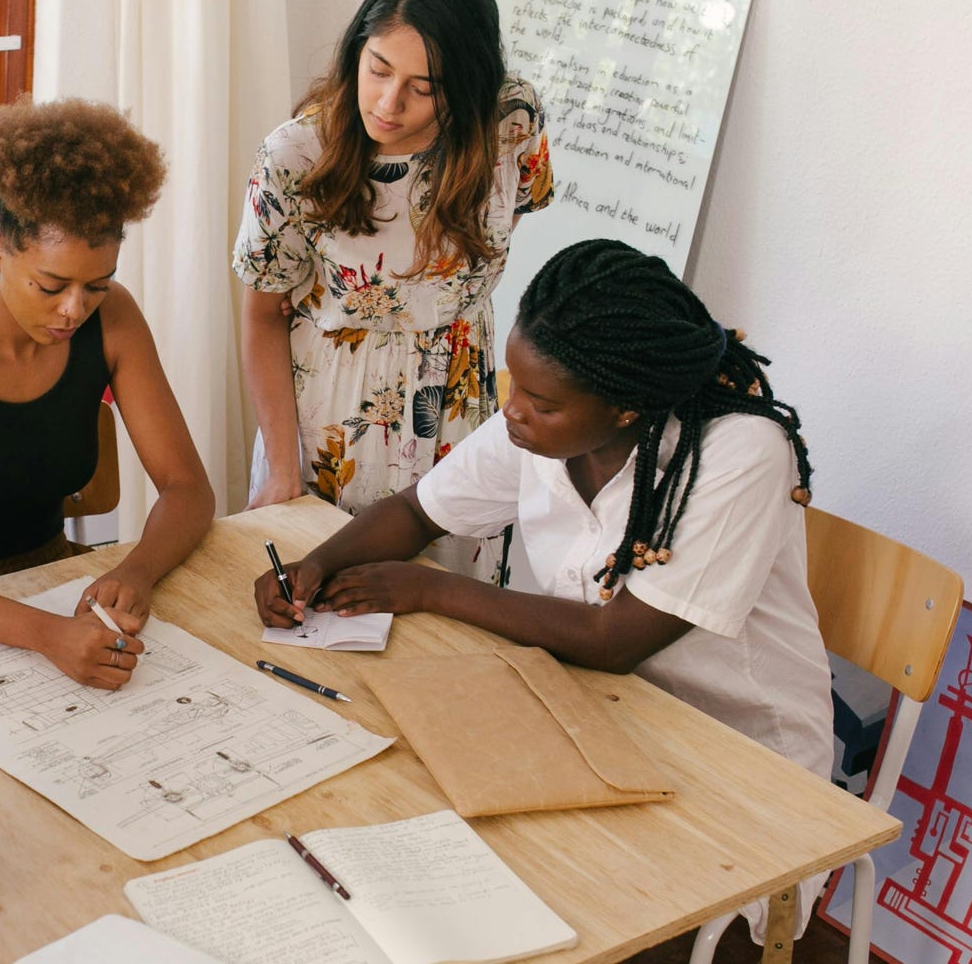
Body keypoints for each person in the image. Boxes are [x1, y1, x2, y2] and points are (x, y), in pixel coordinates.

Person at [256, 238, 832, 906]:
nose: (513, 410)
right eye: (513, 384)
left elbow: (616, 640)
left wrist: (432, 587)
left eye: (542, 403)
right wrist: (318, 563)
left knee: (509, 873)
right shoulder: (544, 422)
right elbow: (419, 510)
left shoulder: (737, 453)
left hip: (738, 756)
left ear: (624, 407)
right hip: (601, 714)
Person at [0, 97, 215, 690]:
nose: (74, 310)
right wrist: (48, 635)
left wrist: (138, 570)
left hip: (50, 581)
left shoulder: (114, 319)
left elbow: (187, 489)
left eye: (96, 286)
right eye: (51, 285)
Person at [234, 0, 554, 581]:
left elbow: (502, 227)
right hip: (333, 419)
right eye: (377, 68)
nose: (387, 102)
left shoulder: (510, 120)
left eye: (423, 87)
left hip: (461, 409)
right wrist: (280, 466)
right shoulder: (297, 154)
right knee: (321, 605)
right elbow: (260, 315)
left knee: (453, 620)